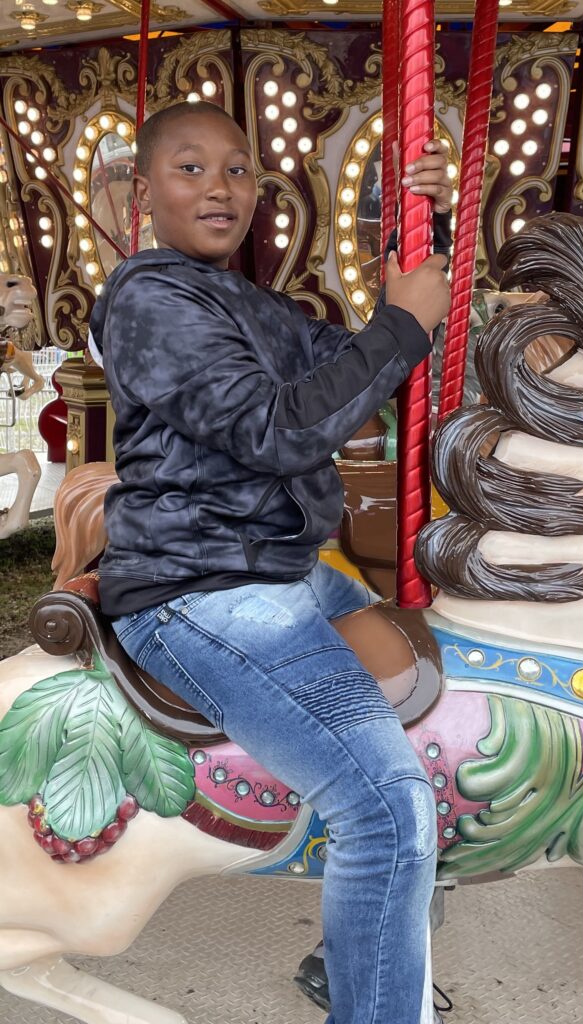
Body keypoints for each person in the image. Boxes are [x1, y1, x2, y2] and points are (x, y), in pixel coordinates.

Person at [90, 100, 451, 1024]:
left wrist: (428, 231)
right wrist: (401, 324)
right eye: (190, 167)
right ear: (143, 191)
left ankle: (361, 939)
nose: (221, 187)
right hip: (201, 584)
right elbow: (278, 429)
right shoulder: (147, 297)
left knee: (437, 700)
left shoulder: (250, 304)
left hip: (275, 561)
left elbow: (367, 370)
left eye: (239, 169)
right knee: (390, 809)